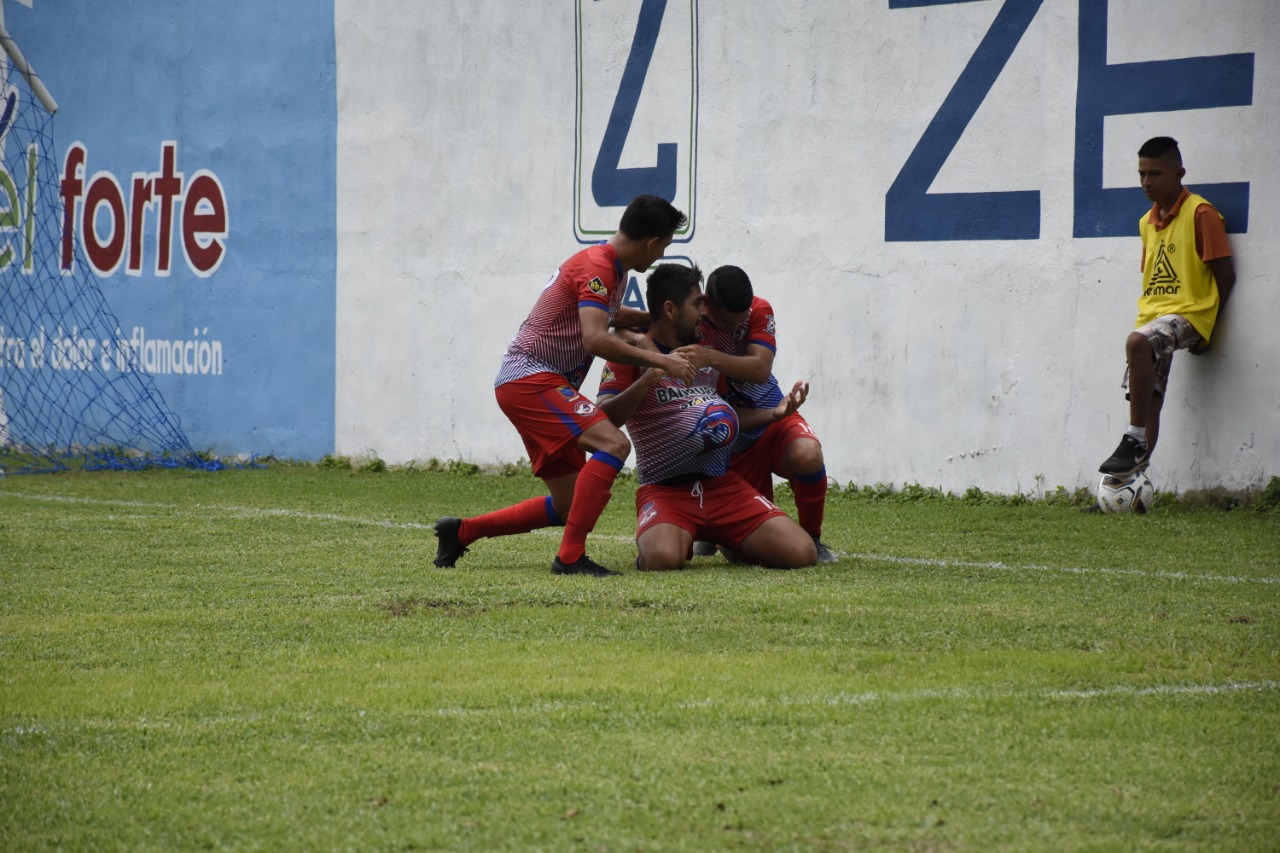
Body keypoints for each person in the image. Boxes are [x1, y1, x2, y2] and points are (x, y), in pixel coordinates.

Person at [434, 195, 697, 577]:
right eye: (665, 247)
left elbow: (607, 315)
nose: (658, 258)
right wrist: (662, 359)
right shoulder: (600, 268)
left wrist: (649, 322)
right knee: (614, 444)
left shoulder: (611, 267)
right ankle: (570, 557)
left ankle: (462, 532)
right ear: (652, 242)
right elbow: (594, 337)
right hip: (531, 378)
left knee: (568, 504)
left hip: (531, 381)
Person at [596, 263, 817, 571]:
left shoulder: (705, 352)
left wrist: (773, 413)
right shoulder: (633, 353)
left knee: (802, 553)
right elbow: (603, 416)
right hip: (665, 488)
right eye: (697, 303)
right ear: (670, 309)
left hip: (721, 486)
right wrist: (650, 375)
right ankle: (673, 534)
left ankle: (724, 537)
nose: (705, 312)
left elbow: (723, 407)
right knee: (661, 560)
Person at [674, 265, 836, 562]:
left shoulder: (760, 310)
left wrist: (711, 357)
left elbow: (760, 369)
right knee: (743, 556)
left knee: (808, 454)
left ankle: (813, 539)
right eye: (726, 322)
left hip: (776, 416)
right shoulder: (692, 331)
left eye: (741, 321)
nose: (736, 328)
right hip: (732, 443)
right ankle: (710, 532)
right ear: (707, 305)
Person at [1098, 137, 1237, 476]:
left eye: (1155, 174)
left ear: (1179, 173)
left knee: (1136, 342)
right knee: (1148, 404)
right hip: (1154, 319)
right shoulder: (1146, 223)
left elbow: (1225, 275)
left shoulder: (1201, 213)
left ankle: (1132, 440)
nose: (1147, 183)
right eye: (1142, 174)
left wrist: (1209, 328)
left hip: (1190, 315)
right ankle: (1126, 485)